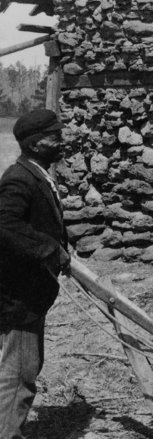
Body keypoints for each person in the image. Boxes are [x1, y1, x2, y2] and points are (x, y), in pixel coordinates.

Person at [0, 109, 71, 438]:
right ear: (35, 143)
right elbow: (5, 225)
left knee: (25, 368)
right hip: (19, 294)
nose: (61, 142)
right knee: (20, 373)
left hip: (31, 290)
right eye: (54, 138)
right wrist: (48, 249)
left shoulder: (38, 172)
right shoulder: (19, 178)